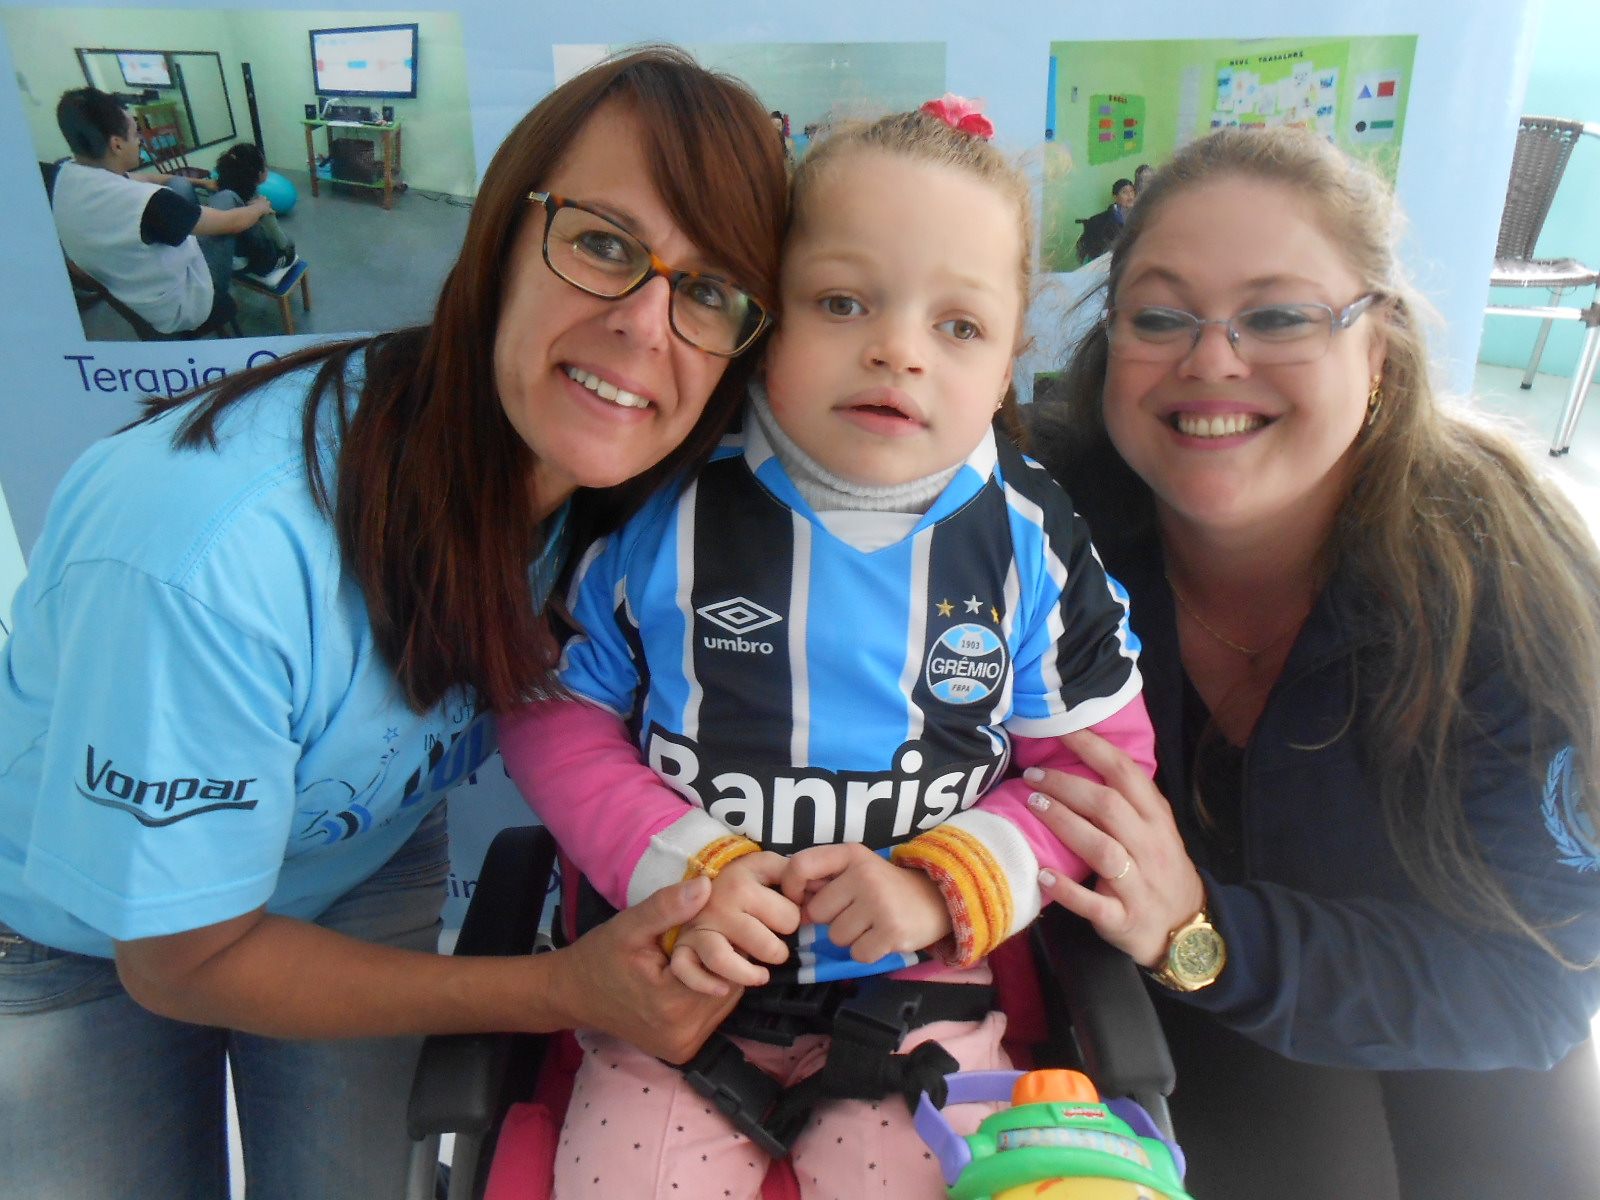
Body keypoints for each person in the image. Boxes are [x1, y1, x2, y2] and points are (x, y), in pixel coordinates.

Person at [0, 47, 787, 1200]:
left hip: (345, 850)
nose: (646, 327)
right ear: (500, 241)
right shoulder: (216, 552)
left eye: (710, 290)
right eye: (605, 244)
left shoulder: (633, 502)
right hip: (63, 934)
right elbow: (180, 958)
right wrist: (563, 989)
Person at [500, 99, 1156, 1199]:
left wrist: (945, 887)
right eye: (843, 301)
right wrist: (676, 858)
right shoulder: (660, 507)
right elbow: (549, 711)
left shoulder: (1033, 543)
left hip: (923, 1014)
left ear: (1008, 364)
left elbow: (1095, 775)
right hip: (672, 1006)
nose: (897, 349)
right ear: (767, 321)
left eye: (958, 326)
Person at [1021, 127, 1600, 1199]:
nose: (1211, 360)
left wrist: (1200, 929)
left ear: (1376, 349)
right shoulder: (1030, 534)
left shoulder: (1513, 588)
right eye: (1161, 315)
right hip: (1165, 1004)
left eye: (1278, 315)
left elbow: (1536, 979)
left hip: (1442, 986)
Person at [51, 87, 271, 335]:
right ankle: (271, 257)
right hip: (183, 306)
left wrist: (201, 183)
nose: (140, 141)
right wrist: (259, 207)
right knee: (227, 198)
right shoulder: (151, 204)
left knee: (178, 182)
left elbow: (142, 176)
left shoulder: (67, 173)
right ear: (116, 145)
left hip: (127, 284)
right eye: (135, 135)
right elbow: (232, 223)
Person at [211, 141, 297, 283]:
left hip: (230, 258)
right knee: (289, 246)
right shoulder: (258, 208)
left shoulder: (221, 195)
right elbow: (281, 244)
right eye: (265, 166)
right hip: (258, 264)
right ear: (258, 174)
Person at [1074, 176, 1136, 265]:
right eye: (1124, 192)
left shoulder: (1141, 214)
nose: (1129, 195)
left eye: (1131, 191)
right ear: (1115, 197)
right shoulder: (1104, 220)